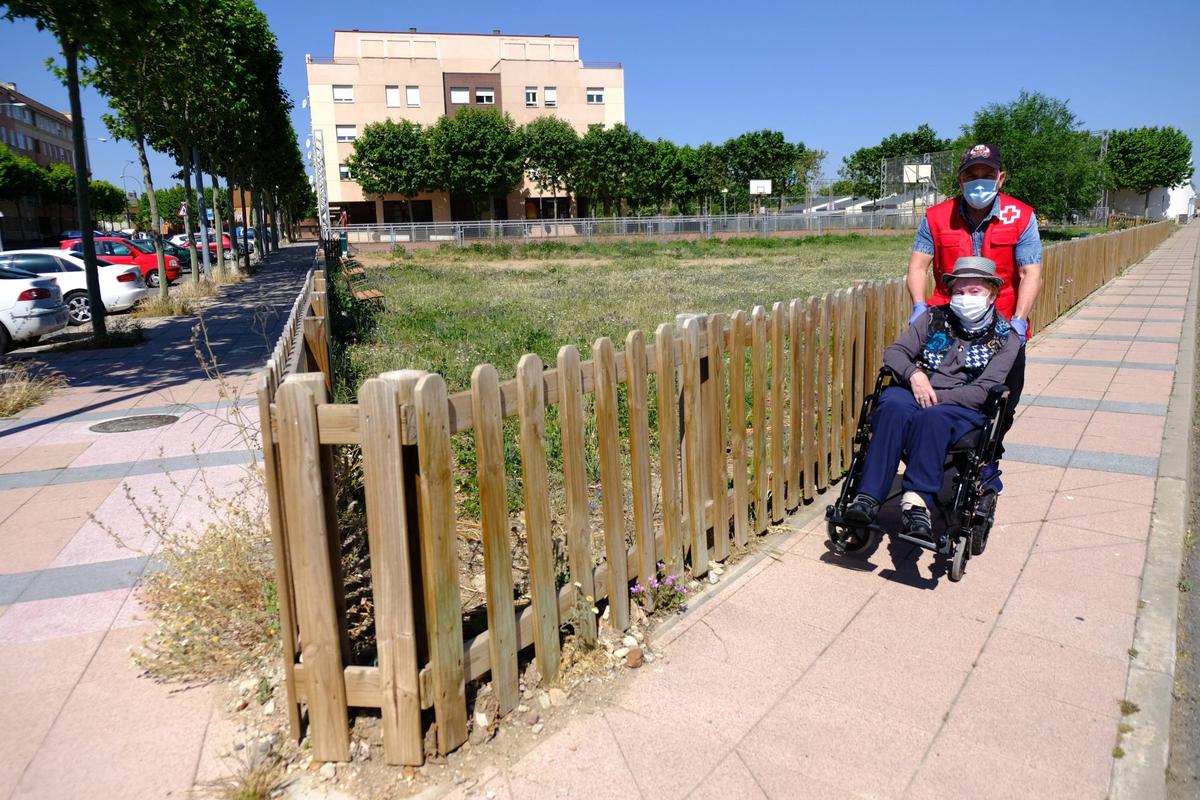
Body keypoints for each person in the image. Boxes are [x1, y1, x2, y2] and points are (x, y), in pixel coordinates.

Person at [844, 257, 1021, 546]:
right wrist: (914, 375)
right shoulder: (932, 318)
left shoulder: (1006, 338)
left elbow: (984, 389)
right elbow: (895, 353)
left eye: (974, 291)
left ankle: (916, 504)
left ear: (992, 294)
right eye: (959, 291)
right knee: (892, 406)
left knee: (932, 417)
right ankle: (867, 498)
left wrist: (936, 397)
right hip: (914, 391)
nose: (965, 298)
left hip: (961, 407)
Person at [906, 143, 1042, 494]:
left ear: (1000, 178)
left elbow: (1030, 272)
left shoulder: (1022, 216)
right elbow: (918, 266)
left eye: (986, 175)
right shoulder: (936, 217)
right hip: (946, 323)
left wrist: (1020, 321)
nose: (978, 182)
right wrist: (920, 306)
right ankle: (931, 452)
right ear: (960, 179)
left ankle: (986, 462)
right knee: (936, 388)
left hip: (1000, 326)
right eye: (971, 175)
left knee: (1002, 402)